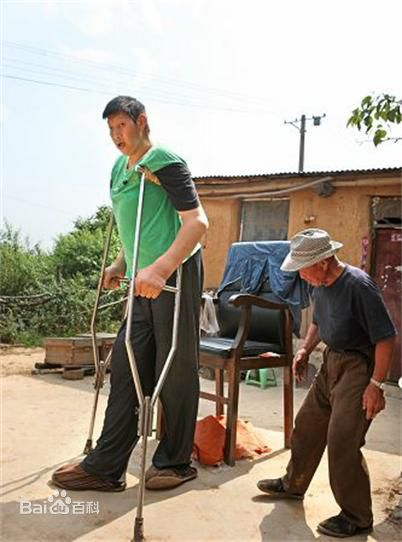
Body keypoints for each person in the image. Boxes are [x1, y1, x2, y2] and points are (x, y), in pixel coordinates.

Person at [52, 96, 208, 492]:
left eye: (121, 126)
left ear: (142, 121)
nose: (115, 136)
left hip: (175, 272)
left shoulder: (165, 160)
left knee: (174, 366)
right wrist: (122, 264)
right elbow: (135, 225)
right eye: (110, 130)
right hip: (141, 279)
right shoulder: (119, 169)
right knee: (126, 363)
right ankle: (106, 466)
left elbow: (197, 223)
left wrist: (161, 267)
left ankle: (175, 460)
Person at [257, 228, 396, 538]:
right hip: (331, 360)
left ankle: (357, 516)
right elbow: (319, 322)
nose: (300, 276)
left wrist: (376, 384)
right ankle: (293, 483)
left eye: (302, 268)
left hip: (358, 367)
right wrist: (305, 350)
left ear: (322, 262)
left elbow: (386, 337)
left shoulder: (359, 285)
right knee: (307, 425)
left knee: (343, 439)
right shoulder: (318, 284)